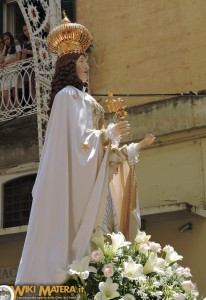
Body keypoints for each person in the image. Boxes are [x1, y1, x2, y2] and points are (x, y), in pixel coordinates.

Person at [15, 14, 155, 285]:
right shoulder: (67, 97)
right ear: (69, 65)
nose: (87, 65)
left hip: (95, 180)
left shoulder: (87, 100)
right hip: (79, 181)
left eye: (86, 60)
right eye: (81, 61)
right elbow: (78, 144)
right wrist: (106, 134)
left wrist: (130, 149)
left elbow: (101, 149)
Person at [0, 32, 22, 111]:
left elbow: (18, 58)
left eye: (7, 39)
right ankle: (11, 110)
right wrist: (5, 49)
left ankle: (18, 109)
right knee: (5, 92)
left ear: (11, 37)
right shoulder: (6, 48)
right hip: (6, 72)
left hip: (13, 70)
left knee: (14, 91)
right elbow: (0, 61)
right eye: (4, 40)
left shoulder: (16, 44)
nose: (6, 41)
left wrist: (6, 63)